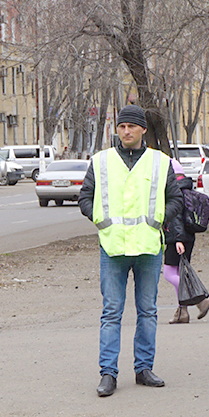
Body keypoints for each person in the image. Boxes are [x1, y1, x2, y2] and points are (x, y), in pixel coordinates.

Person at [78, 104, 185, 397]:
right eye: (122, 126)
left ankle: (144, 368)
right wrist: (99, 219)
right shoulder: (101, 161)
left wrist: (160, 219)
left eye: (131, 126)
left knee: (147, 311)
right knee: (111, 312)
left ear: (142, 130)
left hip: (148, 247)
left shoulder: (159, 162)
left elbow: (176, 199)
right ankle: (108, 374)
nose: (126, 131)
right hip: (113, 247)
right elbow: (84, 197)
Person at [162, 160, 209, 324]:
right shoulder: (186, 189)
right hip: (188, 237)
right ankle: (182, 313)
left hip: (177, 238)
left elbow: (175, 217)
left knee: (170, 273)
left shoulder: (173, 192)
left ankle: (200, 301)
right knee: (179, 272)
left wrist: (177, 240)